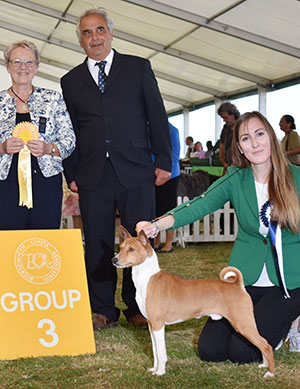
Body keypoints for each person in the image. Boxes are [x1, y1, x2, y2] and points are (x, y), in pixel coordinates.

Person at [137, 111, 300, 363]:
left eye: (259, 134)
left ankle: (292, 323)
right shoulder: (235, 177)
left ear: (271, 137)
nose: (254, 143)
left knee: (243, 352)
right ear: (239, 147)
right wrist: (156, 225)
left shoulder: (297, 178)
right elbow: (197, 206)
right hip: (245, 279)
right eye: (246, 139)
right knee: (210, 351)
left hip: (288, 283)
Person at [61, 7, 171, 330]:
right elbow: (70, 131)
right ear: (80, 40)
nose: (94, 37)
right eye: (86, 33)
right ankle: (103, 309)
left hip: (137, 170)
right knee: (96, 240)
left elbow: (157, 114)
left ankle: (138, 306)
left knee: (139, 240)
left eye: (99, 30)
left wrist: (163, 160)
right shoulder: (70, 81)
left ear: (110, 33)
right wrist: (72, 172)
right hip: (92, 174)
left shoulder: (138, 68)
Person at [0, 41, 75, 230]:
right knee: (8, 242)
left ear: (37, 66)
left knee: (45, 238)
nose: (23, 68)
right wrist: (2, 148)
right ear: (7, 65)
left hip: (46, 182)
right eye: (16, 62)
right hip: (5, 184)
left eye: (29, 62)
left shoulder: (53, 99)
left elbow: (70, 140)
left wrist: (48, 148)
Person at [154, 122, 180, 253]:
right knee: (154, 210)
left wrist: (165, 172)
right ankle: (156, 241)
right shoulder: (150, 128)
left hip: (170, 175)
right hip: (152, 176)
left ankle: (169, 243)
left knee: (169, 210)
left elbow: (175, 156)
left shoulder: (172, 131)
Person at [217, 102, 240, 173]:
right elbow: (221, 147)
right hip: (228, 167)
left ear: (233, 114)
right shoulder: (225, 128)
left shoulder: (243, 126)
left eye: (225, 117)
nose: (224, 120)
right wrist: (225, 164)